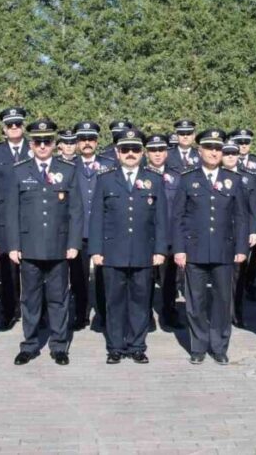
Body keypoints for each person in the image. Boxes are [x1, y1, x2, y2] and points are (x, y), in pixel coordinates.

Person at [3, 119, 84, 366]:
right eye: (37, 142)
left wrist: (73, 243)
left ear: (54, 144)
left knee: (59, 298)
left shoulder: (68, 170)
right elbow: (12, 212)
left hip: (59, 247)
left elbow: (76, 211)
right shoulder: (19, 170)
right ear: (31, 144)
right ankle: (29, 345)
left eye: (46, 141)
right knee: (30, 298)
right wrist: (14, 245)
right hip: (29, 247)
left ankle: (59, 346)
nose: (42, 146)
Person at [89, 129, 168, 363]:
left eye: (135, 149)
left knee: (141, 301)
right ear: (117, 152)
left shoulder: (154, 179)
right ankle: (115, 347)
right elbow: (96, 219)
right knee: (114, 301)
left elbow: (161, 219)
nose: (130, 154)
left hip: (144, 252)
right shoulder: (105, 179)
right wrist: (96, 250)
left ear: (142, 152)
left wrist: (160, 250)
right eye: (126, 150)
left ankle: (137, 346)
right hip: (113, 252)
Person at [172, 129, 250, 365]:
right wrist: (179, 249)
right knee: (195, 302)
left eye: (218, 148)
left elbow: (242, 218)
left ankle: (219, 346)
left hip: (224, 251)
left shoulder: (234, 179)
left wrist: (241, 249)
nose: (214, 152)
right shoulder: (188, 179)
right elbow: (178, 217)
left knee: (222, 301)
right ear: (200, 151)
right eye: (209, 148)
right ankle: (198, 347)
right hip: (194, 250)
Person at [0, 107, 30, 331]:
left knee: (33, 269)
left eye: (18, 124)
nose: (14, 128)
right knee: (7, 271)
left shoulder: (35, 149)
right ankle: (8, 312)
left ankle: (35, 313)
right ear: (4, 128)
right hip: (3, 219)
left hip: (30, 218)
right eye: (10, 125)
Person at [69, 121, 114, 331]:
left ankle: (105, 314)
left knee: (105, 278)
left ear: (97, 141)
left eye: (91, 139)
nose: (87, 143)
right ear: (77, 142)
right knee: (78, 278)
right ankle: (81, 313)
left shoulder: (110, 164)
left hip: (103, 231)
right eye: (82, 139)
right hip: (77, 232)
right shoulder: (68, 166)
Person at [143, 133, 184, 329]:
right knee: (145, 279)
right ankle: (145, 315)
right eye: (153, 150)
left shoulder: (178, 176)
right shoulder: (139, 174)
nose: (158, 154)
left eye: (161, 150)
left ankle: (169, 312)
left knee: (170, 280)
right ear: (146, 152)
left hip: (168, 236)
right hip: (145, 236)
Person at [225, 140, 256, 328]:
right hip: (221, 233)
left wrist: (254, 230)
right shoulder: (215, 176)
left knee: (239, 275)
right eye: (227, 153)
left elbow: (253, 207)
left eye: (234, 153)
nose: (230, 156)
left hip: (242, 232)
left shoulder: (248, 177)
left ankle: (237, 314)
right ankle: (221, 314)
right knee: (222, 275)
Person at [232, 128, 256, 302]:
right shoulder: (228, 159)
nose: (243, 146)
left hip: (251, 213)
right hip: (234, 215)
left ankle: (249, 284)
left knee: (251, 254)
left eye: (246, 142)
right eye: (240, 142)